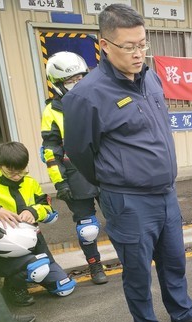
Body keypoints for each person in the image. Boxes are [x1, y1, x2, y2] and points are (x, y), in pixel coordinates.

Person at [62, 3, 192, 322]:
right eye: (128, 46)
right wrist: (112, 182)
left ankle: (181, 314)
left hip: (165, 193)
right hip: (128, 200)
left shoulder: (149, 77)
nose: (138, 53)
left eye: (142, 43)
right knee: (137, 270)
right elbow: (80, 153)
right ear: (104, 46)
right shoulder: (86, 95)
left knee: (174, 259)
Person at [41, 51, 108, 285]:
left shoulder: (98, 99)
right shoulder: (52, 111)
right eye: (70, 80)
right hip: (75, 175)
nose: (77, 83)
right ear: (57, 84)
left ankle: (131, 261)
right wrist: (59, 182)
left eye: (80, 77)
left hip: (105, 170)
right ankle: (95, 265)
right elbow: (50, 151)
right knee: (87, 228)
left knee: (121, 219)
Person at [0, 142, 77, 308]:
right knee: (36, 267)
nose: (17, 176)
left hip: (33, 240)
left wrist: (34, 212)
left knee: (64, 287)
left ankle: (29, 273)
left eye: (22, 171)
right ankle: (14, 287)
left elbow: (48, 209)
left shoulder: (30, 182)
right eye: (11, 172)